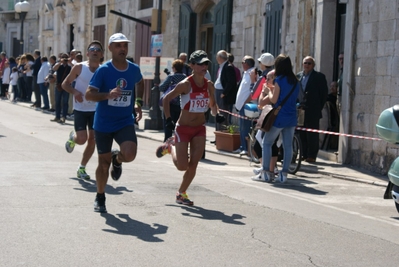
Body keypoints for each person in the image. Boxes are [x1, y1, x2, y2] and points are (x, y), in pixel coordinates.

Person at [155, 50, 224, 206]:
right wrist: (168, 119)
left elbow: (213, 105)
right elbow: (166, 98)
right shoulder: (185, 84)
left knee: (194, 163)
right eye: (200, 64)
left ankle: (181, 193)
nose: (204, 66)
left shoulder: (209, 85)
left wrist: (217, 114)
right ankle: (170, 146)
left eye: (206, 63)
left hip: (199, 128)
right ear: (192, 65)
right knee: (182, 166)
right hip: (183, 128)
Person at [85, 33, 144, 213]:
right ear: (110, 49)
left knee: (130, 154)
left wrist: (137, 102)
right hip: (103, 123)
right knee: (103, 164)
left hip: (124, 120)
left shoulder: (133, 69)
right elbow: (89, 94)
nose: (122, 49)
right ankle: (100, 196)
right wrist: (107, 95)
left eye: (125, 45)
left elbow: (139, 83)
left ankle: (117, 160)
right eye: (118, 46)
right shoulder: (103, 70)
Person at [252, 54, 299, 183]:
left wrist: (268, 91)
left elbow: (273, 99)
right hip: (291, 117)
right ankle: (284, 174)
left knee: (267, 142)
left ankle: (266, 172)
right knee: (288, 146)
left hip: (280, 116)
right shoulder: (295, 81)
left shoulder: (279, 80)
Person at [62, 41, 104, 180]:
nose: (95, 51)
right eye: (92, 49)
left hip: (95, 109)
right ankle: (73, 138)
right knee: (82, 139)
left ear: (101, 54)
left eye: (98, 49)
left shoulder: (103, 70)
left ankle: (82, 168)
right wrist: (75, 92)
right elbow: (65, 84)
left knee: (92, 140)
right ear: (87, 53)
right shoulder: (79, 68)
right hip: (80, 108)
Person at [297, 56, 328, 163]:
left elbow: (323, 94)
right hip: (300, 109)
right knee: (301, 133)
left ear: (313, 65)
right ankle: (303, 154)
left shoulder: (319, 77)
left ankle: (312, 155)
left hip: (312, 110)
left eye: (309, 63)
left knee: (312, 133)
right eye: (305, 63)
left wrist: (318, 107)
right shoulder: (298, 76)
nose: (307, 65)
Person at [251, 70, 280, 180]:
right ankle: (265, 167)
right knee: (259, 144)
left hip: (271, 121)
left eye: (268, 78)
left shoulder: (273, 90)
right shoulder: (272, 90)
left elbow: (261, 102)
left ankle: (268, 169)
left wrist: (264, 91)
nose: (266, 81)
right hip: (267, 120)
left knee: (266, 145)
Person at [159, 59, 186, 141]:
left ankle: (167, 143)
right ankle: (178, 142)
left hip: (169, 104)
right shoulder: (186, 78)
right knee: (179, 126)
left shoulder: (171, 77)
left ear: (174, 68)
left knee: (168, 124)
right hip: (181, 105)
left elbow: (161, 87)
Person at [234, 55, 256, 155]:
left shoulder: (252, 73)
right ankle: (242, 146)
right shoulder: (246, 73)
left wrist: (246, 102)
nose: (242, 64)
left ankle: (246, 148)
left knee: (245, 127)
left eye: (243, 62)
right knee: (242, 126)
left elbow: (253, 90)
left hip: (247, 104)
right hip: (242, 104)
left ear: (246, 64)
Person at [214, 50, 237, 130]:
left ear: (220, 58)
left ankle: (221, 133)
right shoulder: (222, 66)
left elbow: (231, 82)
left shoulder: (228, 67)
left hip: (222, 93)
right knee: (217, 113)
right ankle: (218, 134)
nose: (216, 58)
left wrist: (224, 93)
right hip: (218, 91)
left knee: (222, 114)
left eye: (217, 56)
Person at [51, 54, 71, 123]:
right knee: (57, 101)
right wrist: (60, 62)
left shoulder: (69, 67)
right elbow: (54, 68)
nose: (64, 60)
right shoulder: (59, 66)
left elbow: (75, 70)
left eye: (66, 58)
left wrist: (70, 62)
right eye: (63, 58)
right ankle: (57, 116)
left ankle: (64, 117)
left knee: (65, 102)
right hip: (59, 85)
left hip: (66, 86)